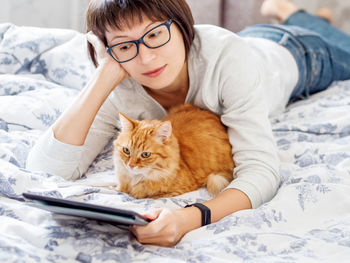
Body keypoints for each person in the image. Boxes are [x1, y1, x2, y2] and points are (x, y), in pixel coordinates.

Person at [26, 0, 350, 247]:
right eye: (125, 45)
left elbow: (262, 171)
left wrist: (189, 218)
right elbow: (46, 170)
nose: (146, 58)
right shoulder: (121, 78)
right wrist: (103, 76)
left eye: (155, 34)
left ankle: (299, 17)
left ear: (182, 26)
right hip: (255, 42)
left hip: (298, 55)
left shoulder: (230, 59)